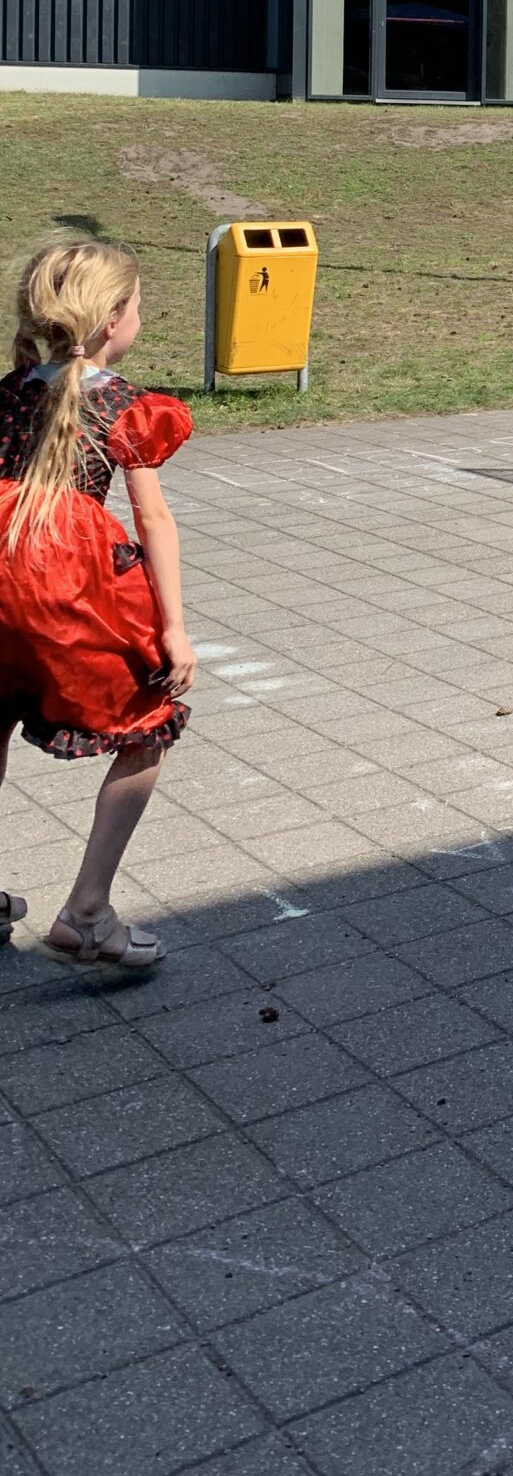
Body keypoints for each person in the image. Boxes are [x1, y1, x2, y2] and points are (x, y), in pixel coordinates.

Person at [0, 240, 196, 968]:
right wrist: (174, 629)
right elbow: (154, 521)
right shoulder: (124, 406)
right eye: (137, 307)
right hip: (70, 587)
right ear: (113, 320)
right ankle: (87, 913)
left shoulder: (6, 392)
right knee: (148, 726)